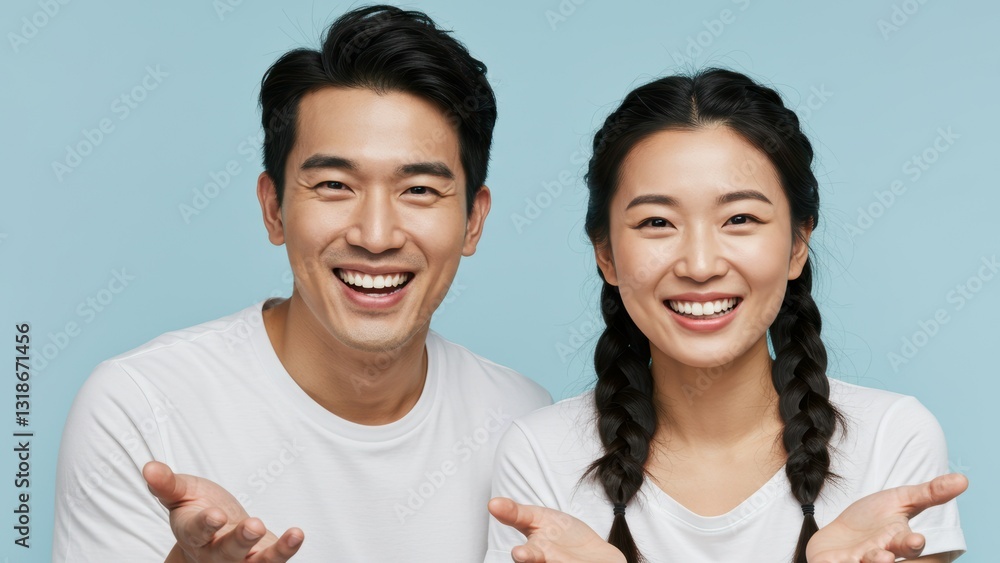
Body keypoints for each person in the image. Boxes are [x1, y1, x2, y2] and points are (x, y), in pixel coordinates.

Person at [52, 5, 550, 562]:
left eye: (420, 191)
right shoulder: (139, 407)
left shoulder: (522, 421)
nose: (377, 235)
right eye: (335, 184)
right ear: (273, 209)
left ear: (473, 222)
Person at [487, 69, 966, 562]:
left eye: (740, 219)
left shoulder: (891, 437)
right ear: (605, 253)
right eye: (657, 222)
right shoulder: (540, 453)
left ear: (798, 243)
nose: (700, 265)